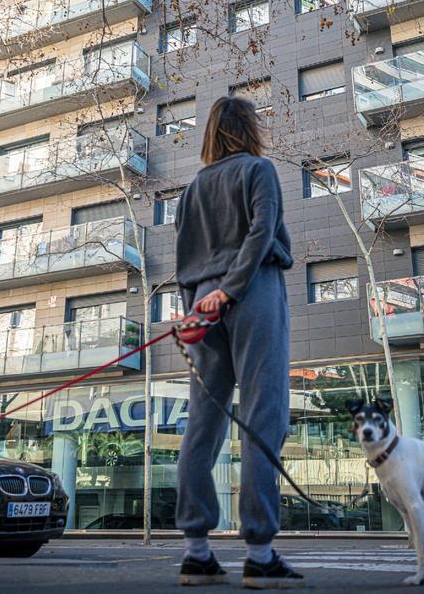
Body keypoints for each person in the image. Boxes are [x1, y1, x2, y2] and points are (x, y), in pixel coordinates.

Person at [173, 96, 301, 588]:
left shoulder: (192, 190)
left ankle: (197, 552)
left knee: (202, 423)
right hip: (252, 293)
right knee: (263, 415)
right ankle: (260, 553)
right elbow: (262, 230)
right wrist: (233, 288)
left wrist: (195, 311)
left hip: (203, 303)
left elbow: (184, 260)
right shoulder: (259, 170)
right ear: (248, 129)